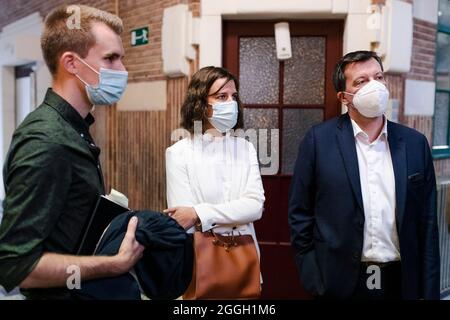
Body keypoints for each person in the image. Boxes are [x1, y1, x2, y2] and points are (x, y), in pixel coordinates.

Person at [0, 5, 144, 299]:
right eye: (110, 58)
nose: (123, 70)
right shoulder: (47, 140)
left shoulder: (74, 128)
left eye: (121, 59)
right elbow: (16, 265)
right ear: (72, 63)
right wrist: (111, 265)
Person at [288, 50, 440, 300]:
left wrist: (430, 290)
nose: (374, 86)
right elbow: (299, 213)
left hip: (401, 279)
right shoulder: (319, 140)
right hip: (340, 280)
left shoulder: (414, 144)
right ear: (344, 97)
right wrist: (313, 278)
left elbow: (428, 222)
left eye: (378, 77)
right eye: (361, 81)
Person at [164, 66, 265, 297]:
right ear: (200, 102)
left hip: (245, 260)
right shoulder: (178, 153)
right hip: (201, 264)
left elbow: (254, 207)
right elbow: (184, 219)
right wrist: (222, 214)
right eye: (222, 96)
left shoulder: (245, 147)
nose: (231, 103)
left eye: (234, 96)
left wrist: (200, 213)